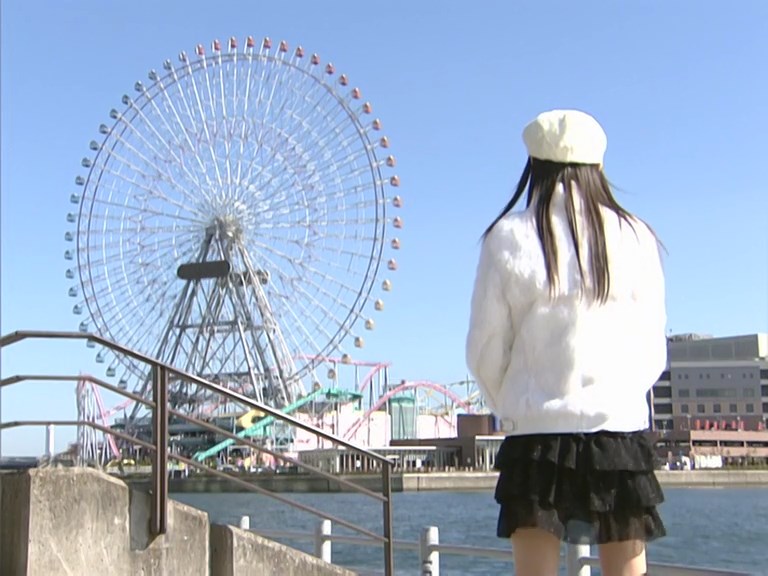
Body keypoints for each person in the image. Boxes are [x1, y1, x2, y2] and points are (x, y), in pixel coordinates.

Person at [466, 109, 667, 576]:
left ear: (534, 165)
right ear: (598, 165)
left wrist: (516, 404)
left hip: (535, 433)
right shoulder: (636, 236)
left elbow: (486, 349)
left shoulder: (507, 237)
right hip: (618, 430)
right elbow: (651, 347)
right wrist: (621, 398)